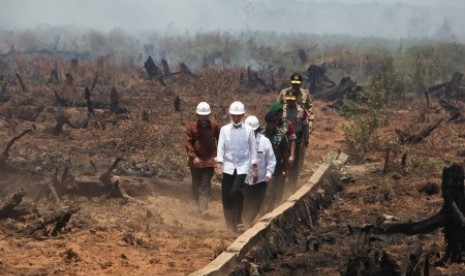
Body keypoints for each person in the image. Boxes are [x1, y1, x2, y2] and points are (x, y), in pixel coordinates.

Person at [215, 101, 258, 232]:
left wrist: (254, 168)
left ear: (243, 115)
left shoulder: (249, 131)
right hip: (227, 165)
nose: (236, 118)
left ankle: (238, 220)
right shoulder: (224, 130)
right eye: (234, 115)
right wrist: (218, 165)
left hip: (242, 165)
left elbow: (253, 150)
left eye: (239, 115)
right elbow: (220, 148)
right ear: (230, 115)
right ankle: (229, 223)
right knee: (226, 195)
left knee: (236, 190)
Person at [183, 102, 220, 216]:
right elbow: (187, 143)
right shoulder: (191, 127)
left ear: (209, 115)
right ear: (197, 115)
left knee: (205, 184)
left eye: (205, 116)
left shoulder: (214, 126)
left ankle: (202, 209)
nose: (203, 118)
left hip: (209, 161)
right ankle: (197, 205)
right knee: (196, 184)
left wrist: (218, 158)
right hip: (196, 162)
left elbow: (221, 140)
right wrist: (193, 157)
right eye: (201, 115)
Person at [242, 115, 276, 226]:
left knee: (257, 201)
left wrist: (269, 173)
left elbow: (271, 160)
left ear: (258, 130)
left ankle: (249, 221)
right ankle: (243, 221)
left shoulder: (265, 142)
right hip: (244, 178)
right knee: (245, 201)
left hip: (261, 180)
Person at [261, 110, 289, 210]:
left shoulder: (280, 136)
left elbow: (285, 153)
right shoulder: (261, 132)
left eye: (273, 123)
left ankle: (267, 211)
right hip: (261, 165)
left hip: (275, 167)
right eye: (269, 123)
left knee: (271, 189)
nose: (271, 125)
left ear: (276, 122)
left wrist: (286, 168)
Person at [282, 91, 309, 190]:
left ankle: (292, 186)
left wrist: (306, 139)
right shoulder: (282, 109)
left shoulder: (302, 111)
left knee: (294, 162)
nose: (290, 102)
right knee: (282, 161)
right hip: (283, 139)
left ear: (295, 99)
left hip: (296, 140)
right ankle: (281, 184)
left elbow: (305, 125)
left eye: (292, 100)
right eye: (288, 100)